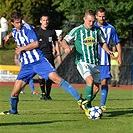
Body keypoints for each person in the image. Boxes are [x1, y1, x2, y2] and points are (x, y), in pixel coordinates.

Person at [0, 11, 82, 115]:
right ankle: (13, 111)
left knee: (56, 78)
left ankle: (80, 100)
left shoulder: (27, 28)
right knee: (14, 92)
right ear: (12, 23)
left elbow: (35, 44)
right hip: (26, 66)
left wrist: (21, 49)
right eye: (17, 23)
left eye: (20, 22)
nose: (19, 24)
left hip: (38, 61)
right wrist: (8, 36)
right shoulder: (14, 31)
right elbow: (13, 31)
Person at [61, 9, 113, 117]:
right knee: (90, 80)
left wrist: (107, 50)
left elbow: (102, 42)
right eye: (89, 21)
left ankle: (86, 103)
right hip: (82, 61)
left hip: (95, 62)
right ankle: (88, 107)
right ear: (84, 19)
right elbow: (64, 41)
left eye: (93, 21)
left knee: (96, 88)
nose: (91, 23)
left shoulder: (97, 30)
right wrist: (66, 47)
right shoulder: (77, 30)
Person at [94, 7, 122, 111]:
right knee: (95, 86)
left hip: (105, 61)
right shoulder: (92, 27)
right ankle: (87, 102)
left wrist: (119, 56)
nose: (102, 18)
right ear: (96, 16)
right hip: (93, 60)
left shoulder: (111, 28)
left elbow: (117, 43)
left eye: (103, 16)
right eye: (100, 16)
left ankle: (102, 105)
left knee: (104, 82)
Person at [34, 13, 62, 100]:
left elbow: (56, 42)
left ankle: (48, 94)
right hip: (40, 55)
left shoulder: (52, 31)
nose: (45, 22)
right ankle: (43, 93)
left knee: (51, 75)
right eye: (44, 20)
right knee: (41, 75)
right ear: (40, 21)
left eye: (47, 20)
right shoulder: (37, 31)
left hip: (49, 55)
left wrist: (59, 55)